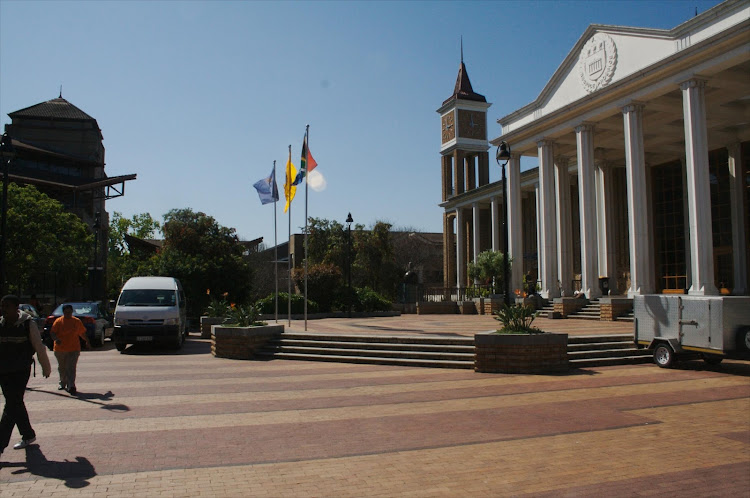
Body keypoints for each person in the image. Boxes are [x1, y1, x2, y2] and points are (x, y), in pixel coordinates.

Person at [0, 294, 51, 456]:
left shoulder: (28, 324)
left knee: (12, 405)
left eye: (7, 306)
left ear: (16, 308)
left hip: (21, 371)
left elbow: (38, 346)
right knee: (15, 403)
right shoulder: (0, 324)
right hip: (4, 371)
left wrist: (46, 367)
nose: (3, 309)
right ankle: (28, 434)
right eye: (2, 306)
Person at [50, 304, 90, 395]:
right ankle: (62, 382)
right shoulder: (58, 321)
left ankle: (71, 385)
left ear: (72, 312)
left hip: (74, 349)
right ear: (63, 312)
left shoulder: (76, 321)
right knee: (62, 367)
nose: (68, 314)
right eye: (66, 312)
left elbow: (82, 333)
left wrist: (87, 341)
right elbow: (53, 333)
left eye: (69, 312)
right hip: (60, 349)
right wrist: (56, 339)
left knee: (71, 367)